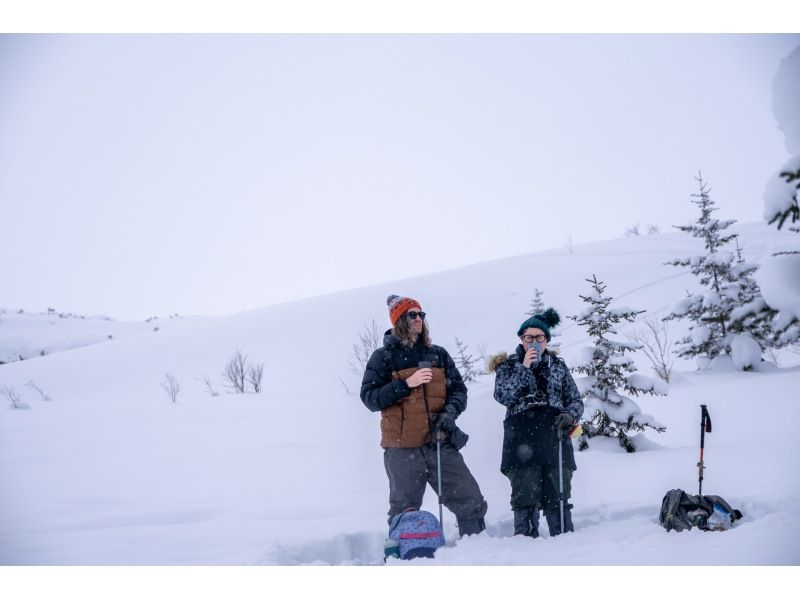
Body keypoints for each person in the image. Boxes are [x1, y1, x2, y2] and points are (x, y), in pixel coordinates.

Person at [360, 295, 488, 537]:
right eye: (412, 315)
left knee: (470, 500)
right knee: (404, 511)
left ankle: (477, 551)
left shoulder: (438, 354)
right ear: (399, 320)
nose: (418, 319)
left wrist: (450, 414)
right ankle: (404, 559)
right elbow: (369, 398)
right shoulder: (383, 357)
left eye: (421, 314)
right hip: (402, 449)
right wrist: (406, 383)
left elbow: (459, 390)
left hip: (439, 442)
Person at [491, 307, 583, 538]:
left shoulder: (558, 367)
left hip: (555, 437)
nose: (534, 342)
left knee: (558, 493)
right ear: (521, 340)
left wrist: (570, 415)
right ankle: (525, 547)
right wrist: (524, 369)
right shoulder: (508, 367)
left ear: (547, 340)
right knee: (525, 495)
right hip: (521, 438)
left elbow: (575, 399)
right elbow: (503, 395)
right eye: (528, 337)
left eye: (539, 337)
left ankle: (565, 543)